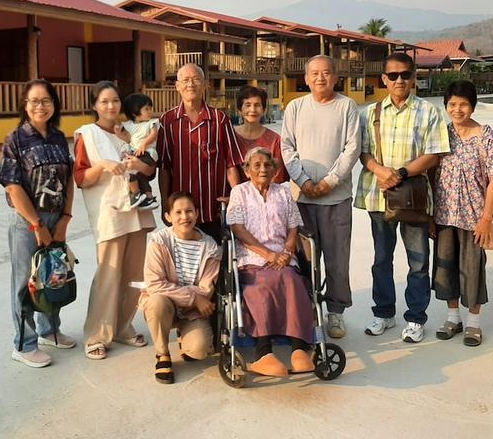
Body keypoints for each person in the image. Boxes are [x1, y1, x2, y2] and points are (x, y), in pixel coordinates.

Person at [355, 52, 450, 343]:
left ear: (413, 77)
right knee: (381, 258)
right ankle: (384, 313)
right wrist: (381, 171)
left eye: (405, 75)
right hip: (379, 195)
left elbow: (434, 154)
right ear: (384, 79)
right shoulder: (370, 113)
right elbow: (363, 152)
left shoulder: (428, 112)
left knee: (418, 261)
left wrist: (401, 173)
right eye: (393, 75)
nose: (399, 80)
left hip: (414, 198)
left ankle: (416, 318)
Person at [74, 81, 157, 360]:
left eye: (115, 101)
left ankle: (122, 326)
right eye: (105, 101)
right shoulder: (87, 135)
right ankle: (97, 334)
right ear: (94, 105)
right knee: (108, 275)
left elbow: (151, 170)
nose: (111, 106)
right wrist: (101, 166)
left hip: (138, 209)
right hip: (110, 212)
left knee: (134, 274)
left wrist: (138, 165)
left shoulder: (129, 133)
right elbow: (81, 179)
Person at [280, 55, 361, 339]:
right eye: (314, 74)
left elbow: (352, 148)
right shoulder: (296, 107)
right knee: (304, 261)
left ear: (336, 77)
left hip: (336, 199)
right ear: (305, 78)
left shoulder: (347, 106)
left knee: (337, 259)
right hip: (302, 200)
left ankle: (336, 314)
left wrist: (330, 181)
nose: (320, 78)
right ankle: (308, 311)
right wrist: (302, 180)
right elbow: (286, 147)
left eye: (326, 73)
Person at [0, 79, 76, 368]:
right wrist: (36, 225)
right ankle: (24, 343)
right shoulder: (15, 139)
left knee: (54, 275)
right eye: (34, 101)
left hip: (57, 218)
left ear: (54, 104)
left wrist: (65, 220)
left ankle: (49, 330)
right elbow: (12, 187)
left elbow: (69, 181)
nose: (40, 106)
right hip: (27, 221)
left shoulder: (58, 137)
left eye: (45, 100)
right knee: (25, 282)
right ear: (25, 105)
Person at [227, 147, 316, 377]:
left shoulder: (283, 193)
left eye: (267, 165)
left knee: (292, 281)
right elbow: (238, 229)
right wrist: (268, 255)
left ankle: (299, 350)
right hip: (252, 258)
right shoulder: (239, 192)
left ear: (276, 170)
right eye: (256, 165)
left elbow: (294, 226)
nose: (262, 169)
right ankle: (263, 352)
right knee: (262, 287)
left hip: (283, 257)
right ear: (246, 171)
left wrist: (286, 252)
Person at [431, 80, 493, 347]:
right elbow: (431, 172)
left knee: (472, 269)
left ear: (472, 105)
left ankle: (473, 323)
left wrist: (486, 218)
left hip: (474, 217)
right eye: (452, 104)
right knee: (445, 267)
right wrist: (429, 215)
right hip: (443, 214)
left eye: (463, 104)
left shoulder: (486, 135)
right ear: (446, 105)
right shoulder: (441, 134)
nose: (458, 109)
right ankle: (452, 317)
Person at [157, 63, 244, 241]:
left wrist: (237, 199)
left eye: (196, 79)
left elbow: (231, 164)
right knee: (184, 263)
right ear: (177, 86)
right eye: (186, 80)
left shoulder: (220, 119)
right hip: (181, 212)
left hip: (213, 209)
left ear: (206, 85)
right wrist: (165, 204)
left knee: (217, 260)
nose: (191, 84)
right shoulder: (167, 121)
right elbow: (164, 167)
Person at [139, 192, 220, 384]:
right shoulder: (159, 242)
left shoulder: (210, 247)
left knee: (199, 351)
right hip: (167, 304)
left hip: (192, 312)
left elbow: (206, 289)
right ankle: (163, 353)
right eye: (178, 212)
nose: (185, 217)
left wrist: (195, 300)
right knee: (156, 301)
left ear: (197, 214)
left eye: (189, 211)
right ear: (168, 217)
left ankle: (185, 336)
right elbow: (155, 284)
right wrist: (193, 298)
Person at [234, 85, 288, 184]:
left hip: (267, 196)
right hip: (235, 196)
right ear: (239, 110)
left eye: (257, 105)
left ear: (264, 110)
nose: (253, 110)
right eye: (248, 105)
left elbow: (278, 176)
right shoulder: (231, 137)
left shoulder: (275, 140)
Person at [117, 92, 160, 211]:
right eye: (146, 108)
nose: (150, 111)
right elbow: (128, 139)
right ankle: (148, 196)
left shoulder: (151, 123)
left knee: (130, 171)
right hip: (136, 153)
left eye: (150, 108)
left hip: (147, 153)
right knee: (140, 176)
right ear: (134, 111)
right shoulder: (129, 125)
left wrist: (144, 144)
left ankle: (135, 193)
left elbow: (153, 134)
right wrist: (119, 134)